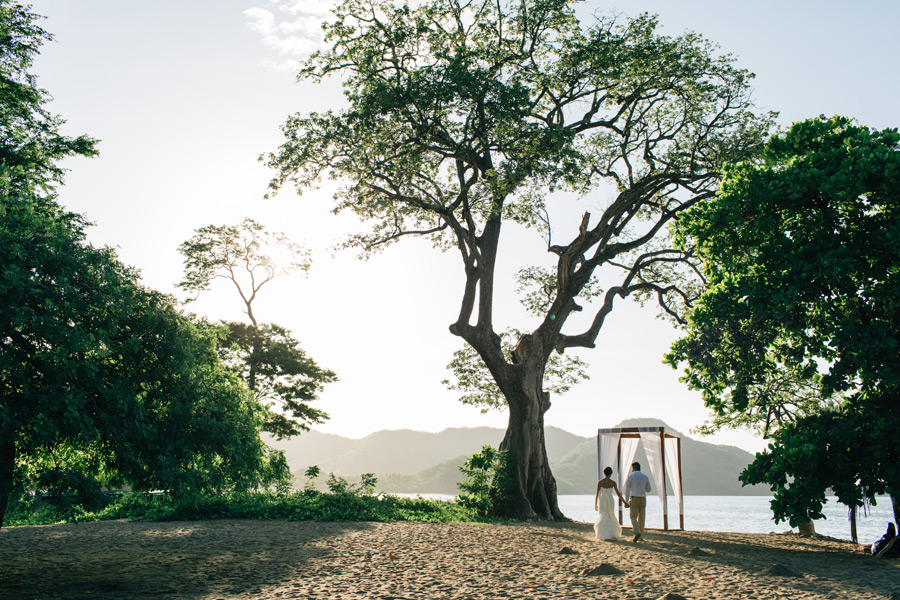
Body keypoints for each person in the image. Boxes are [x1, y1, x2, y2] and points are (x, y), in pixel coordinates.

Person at [593, 466, 628, 541]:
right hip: (610, 499)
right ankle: (611, 532)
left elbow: (597, 494)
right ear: (610, 474)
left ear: (604, 473)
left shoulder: (600, 482)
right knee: (610, 514)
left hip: (602, 499)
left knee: (603, 514)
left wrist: (595, 504)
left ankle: (602, 532)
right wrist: (625, 502)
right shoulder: (613, 482)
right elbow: (618, 494)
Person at [623, 461, 651, 542]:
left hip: (634, 498)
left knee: (633, 516)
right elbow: (649, 489)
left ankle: (637, 532)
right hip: (643, 498)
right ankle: (641, 536)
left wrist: (626, 501)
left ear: (633, 468)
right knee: (642, 518)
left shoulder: (630, 477)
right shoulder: (645, 477)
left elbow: (627, 490)